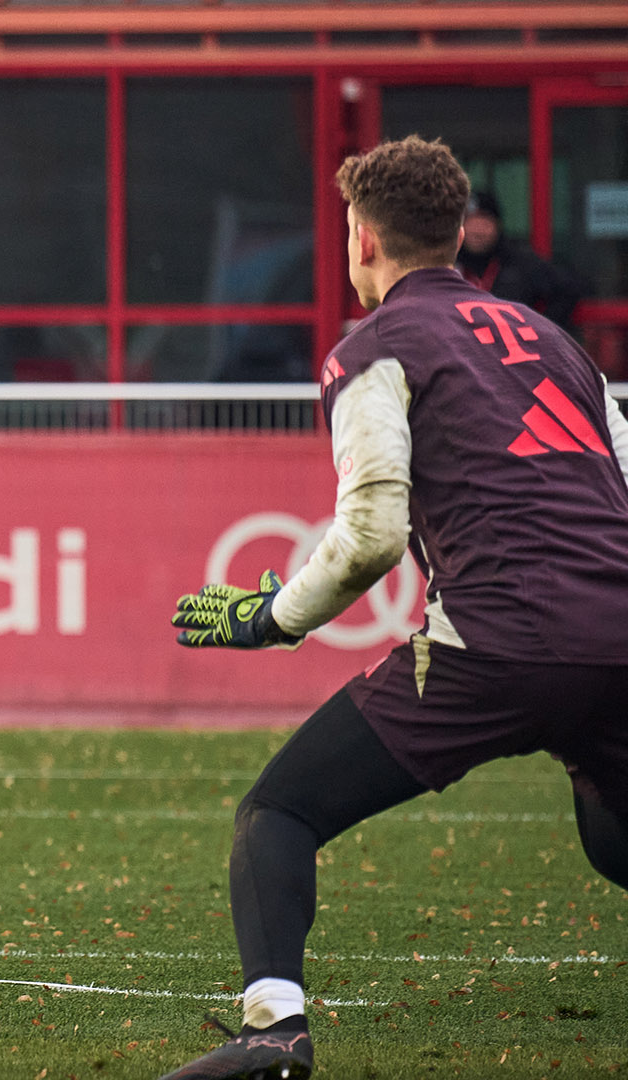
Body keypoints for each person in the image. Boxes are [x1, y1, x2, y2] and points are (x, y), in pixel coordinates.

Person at [161, 136, 628, 1079]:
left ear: (362, 241)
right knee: (614, 831)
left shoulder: (373, 347)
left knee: (278, 813)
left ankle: (274, 1034)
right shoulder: (557, 340)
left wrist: (272, 618)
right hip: (619, 631)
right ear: (459, 234)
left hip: (498, 641)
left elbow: (371, 530)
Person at [455, 190, 584, 333]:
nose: (478, 231)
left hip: (511, 351)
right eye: (471, 223)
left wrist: (539, 332)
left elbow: (567, 289)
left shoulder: (520, 262)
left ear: (497, 226)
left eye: (485, 223)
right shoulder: (447, 264)